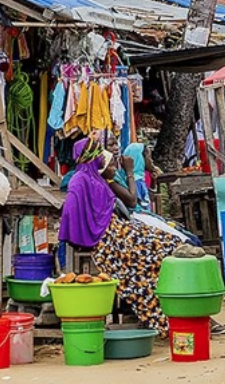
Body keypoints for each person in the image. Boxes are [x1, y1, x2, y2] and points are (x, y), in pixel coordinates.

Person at [59, 138, 184, 338]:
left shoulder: (95, 178)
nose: (104, 156)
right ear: (92, 156)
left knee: (171, 243)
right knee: (159, 250)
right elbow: (70, 215)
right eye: (99, 152)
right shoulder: (79, 181)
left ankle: (174, 310)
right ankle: (160, 313)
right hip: (109, 240)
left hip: (119, 230)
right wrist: (87, 236)